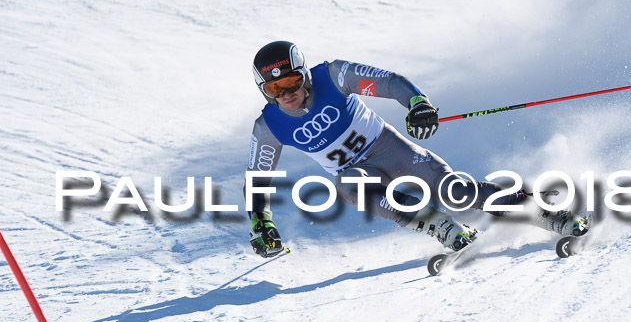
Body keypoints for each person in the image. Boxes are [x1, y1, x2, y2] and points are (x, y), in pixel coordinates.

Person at [245, 41, 588, 257]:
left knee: (457, 192)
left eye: (290, 81)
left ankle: (545, 214)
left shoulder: (332, 75)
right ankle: (439, 225)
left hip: (390, 149)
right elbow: (257, 178)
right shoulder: (268, 127)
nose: (286, 93)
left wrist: (417, 103)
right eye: (275, 88)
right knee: (350, 186)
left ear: (303, 75)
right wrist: (260, 220)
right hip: (359, 173)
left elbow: (387, 81)